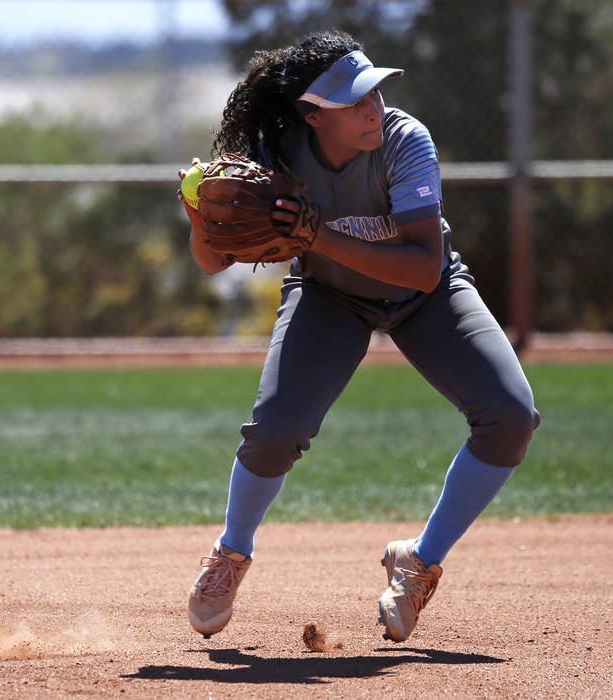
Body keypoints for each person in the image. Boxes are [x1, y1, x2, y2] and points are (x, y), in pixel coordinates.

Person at [177, 30, 540, 643]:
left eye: (373, 93)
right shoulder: (277, 152)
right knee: (274, 434)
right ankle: (229, 554)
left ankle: (418, 563)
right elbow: (213, 264)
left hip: (426, 294)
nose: (371, 108)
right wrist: (199, 221)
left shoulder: (404, 140)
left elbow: (423, 266)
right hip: (328, 296)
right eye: (353, 102)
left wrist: (317, 235)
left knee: (511, 417)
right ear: (312, 115)